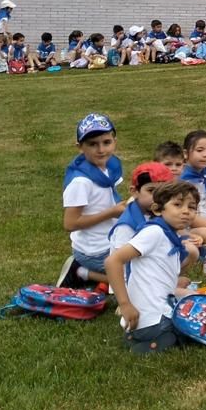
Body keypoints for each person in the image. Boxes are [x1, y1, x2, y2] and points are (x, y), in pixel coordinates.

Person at [104, 180, 200, 353]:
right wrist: (125, 305)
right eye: (177, 205)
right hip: (152, 320)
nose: (186, 211)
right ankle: (149, 344)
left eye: (192, 207)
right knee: (197, 328)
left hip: (159, 312)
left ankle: (145, 338)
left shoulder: (170, 235)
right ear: (157, 209)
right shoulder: (154, 232)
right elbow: (113, 261)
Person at [59, 113, 126, 289]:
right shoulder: (81, 182)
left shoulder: (107, 167)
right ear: (80, 147)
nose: (101, 150)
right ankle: (82, 272)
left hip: (111, 240)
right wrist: (111, 212)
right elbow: (70, 223)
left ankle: (100, 277)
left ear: (115, 142)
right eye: (92, 144)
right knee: (141, 275)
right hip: (94, 250)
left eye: (106, 142)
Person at [109, 161, 175, 253]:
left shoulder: (164, 211)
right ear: (135, 191)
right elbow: (118, 259)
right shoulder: (127, 225)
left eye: (165, 191)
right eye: (151, 190)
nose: (159, 196)